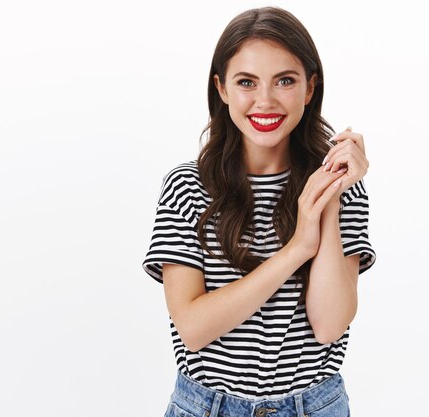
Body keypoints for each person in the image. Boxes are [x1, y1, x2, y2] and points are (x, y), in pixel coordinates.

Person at [142, 6, 376, 417]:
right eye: (246, 82)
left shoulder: (342, 188)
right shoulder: (187, 186)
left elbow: (329, 325)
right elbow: (193, 329)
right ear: (222, 88)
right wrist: (297, 249)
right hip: (207, 407)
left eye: (285, 80)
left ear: (309, 87)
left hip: (314, 406)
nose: (265, 101)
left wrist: (331, 193)